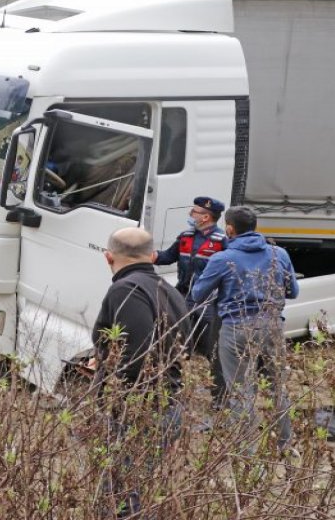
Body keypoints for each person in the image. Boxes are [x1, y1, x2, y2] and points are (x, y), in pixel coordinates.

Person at [92, 227, 191, 517]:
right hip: (167, 404)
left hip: (139, 410)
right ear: (152, 256)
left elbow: (136, 355)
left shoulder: (126, 289)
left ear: (108, 257)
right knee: (137, 491)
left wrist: (116, 401)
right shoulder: (169, 291)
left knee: (120, 497)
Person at [190, 206, 297, 452]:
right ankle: (285, 444)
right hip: (272, 326)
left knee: (240, 389)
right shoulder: (279, 254)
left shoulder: (222, 259)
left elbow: (197, 294)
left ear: (229, 229)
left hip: (236, 328)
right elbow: (293, 291)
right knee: (277, 386)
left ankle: (246, 452)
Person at [154, 196, 228, 406]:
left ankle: (220, 400)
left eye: (194, 212)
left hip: (208, 304)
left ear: (205, 217)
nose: (190, 214)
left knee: (212, 351)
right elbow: (167, 257)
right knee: (175, 347)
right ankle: (172, 395)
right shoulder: (185, 237)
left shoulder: (222, 241)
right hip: (183, 300)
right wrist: (148, 255)